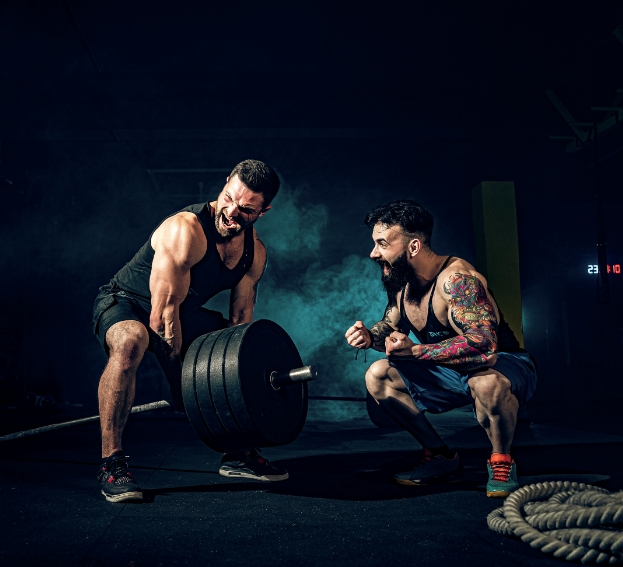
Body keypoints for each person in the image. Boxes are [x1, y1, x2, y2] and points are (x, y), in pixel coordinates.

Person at [92, 159, 288, 503]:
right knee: (131, 342)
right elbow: (161, 318)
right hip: (128, 302)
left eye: (245, 209)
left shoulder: (254, 253)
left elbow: (240, 320)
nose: (231, 212)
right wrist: (182, 384)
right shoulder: (186, 231)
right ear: (225, 182)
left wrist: (228, 376)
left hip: (186, 311)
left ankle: (238, 453)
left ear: (264, 210)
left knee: (237, 350)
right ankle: (112, 464)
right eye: (228, 198)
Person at [345, 200, 537, 498]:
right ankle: (442, 456)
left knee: (484, 382)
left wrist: (416, 352)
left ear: (413, 247)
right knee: (378, 375)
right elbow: (390, 326)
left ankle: (501, 461)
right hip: (452, 369)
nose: (374, 253)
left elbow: (485, 349)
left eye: (382, 244)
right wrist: (370, 337)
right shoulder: (402, 285)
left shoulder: (459, 281)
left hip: (505, 365)